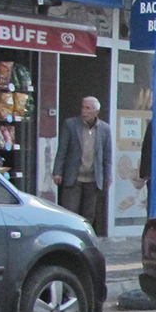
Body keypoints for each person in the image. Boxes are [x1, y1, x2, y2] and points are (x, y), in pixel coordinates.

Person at [53, 96, 112, 232]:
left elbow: (107, 156)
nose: (84, 111)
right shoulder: (71, 125)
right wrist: (57, 171)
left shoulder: (105, 129)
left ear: (96, 112)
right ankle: (69, 238)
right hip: (74, 177)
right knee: (70, 211)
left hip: (93, 179)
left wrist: (108, 177)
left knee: (89, 214)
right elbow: (62, 149)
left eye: (88, 108)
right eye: (83, 107)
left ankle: (85, 237)